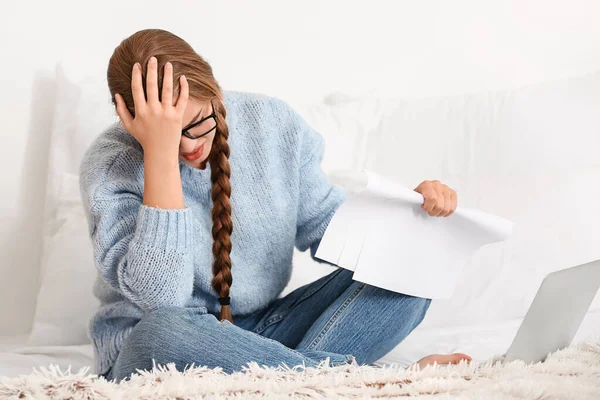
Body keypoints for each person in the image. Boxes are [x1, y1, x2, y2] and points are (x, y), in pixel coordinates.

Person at [80, 28, 471, 383]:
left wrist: (408, 215)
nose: (187, 145)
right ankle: (366, 382)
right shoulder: (111, 165)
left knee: (409, 270)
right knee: (160, 330)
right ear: (128, 119)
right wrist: (158, 157)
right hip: (168, 345)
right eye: (167, 134)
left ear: (214, 90)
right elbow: (163, 298)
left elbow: (332, 230)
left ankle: (303, 381)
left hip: (266, 330)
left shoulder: (274, 124)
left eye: (196, 122)